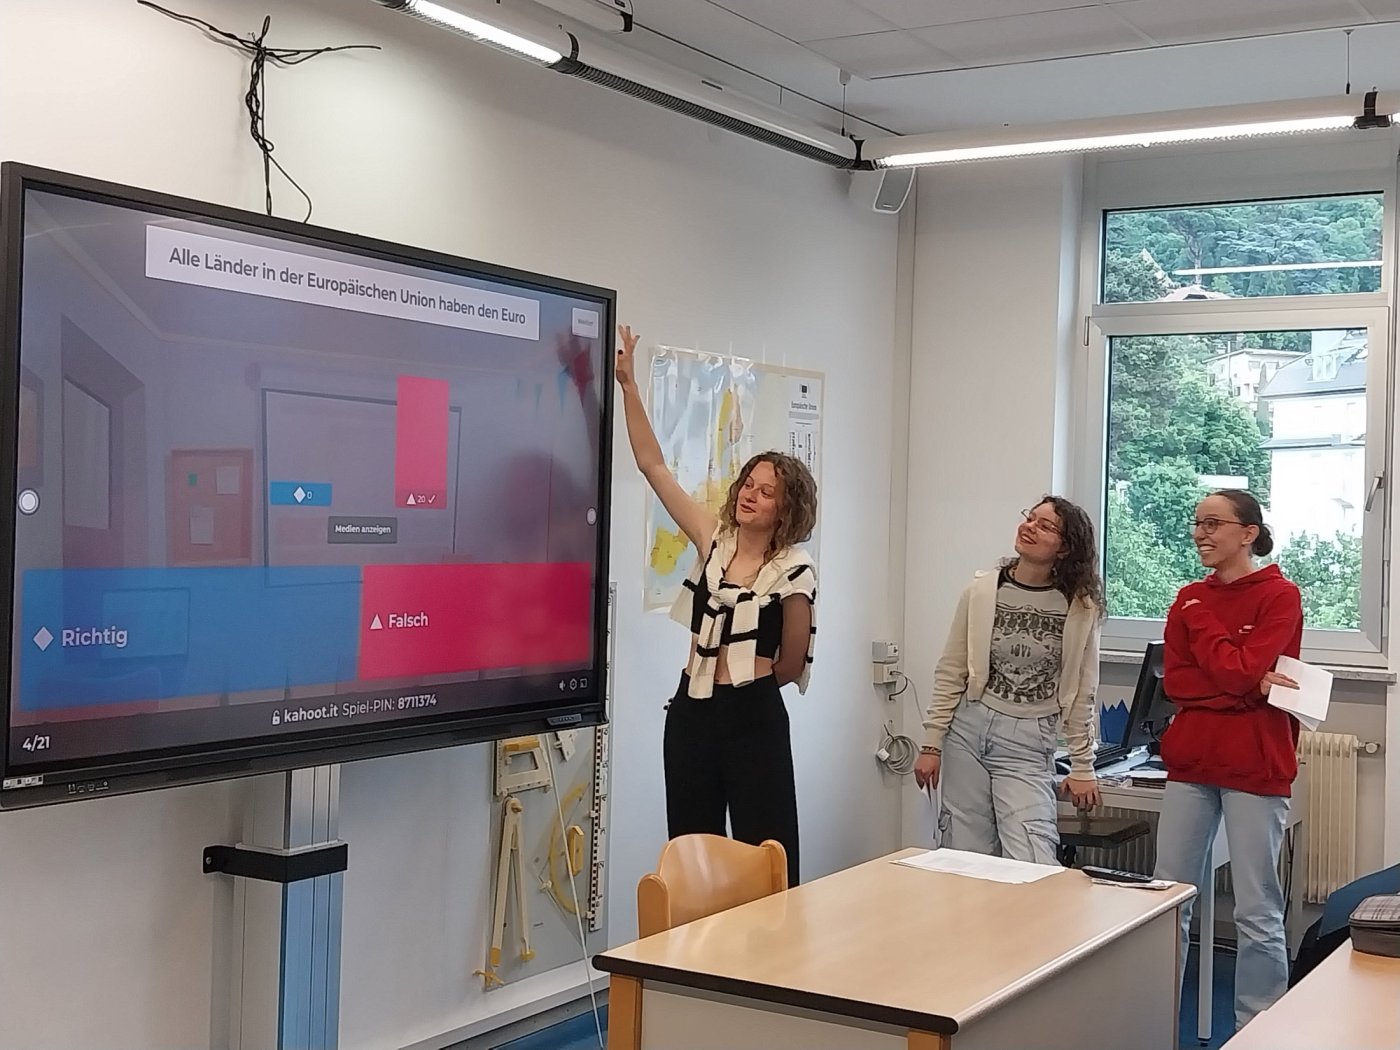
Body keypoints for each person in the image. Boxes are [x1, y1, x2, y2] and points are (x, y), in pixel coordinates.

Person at [614, 324, 817, 887]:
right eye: (748, 484)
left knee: (767, 855)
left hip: (753, 718)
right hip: (692, 713)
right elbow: (654, 467)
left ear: (786, 509)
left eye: (766, 491)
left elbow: (792, 662)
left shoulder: (794, 569)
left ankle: (768, 946)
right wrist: (629, 385)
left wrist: (743, 689)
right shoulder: (714, 540)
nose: (751, 495)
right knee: (692, 855)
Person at [1151, 489, 1303, 1032]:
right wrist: (1245, 686)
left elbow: (1237, 672)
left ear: (1248, 533)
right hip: (1192, 763)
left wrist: (1217, 646)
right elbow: (1178, 683)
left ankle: (1258, 1029)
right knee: (1168, 899)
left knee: (1256, 908)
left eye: (1213, 523)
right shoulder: (1188, 596)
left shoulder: (1279, 595)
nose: (1200, 533)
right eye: (1197, 523)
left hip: (1256, 764)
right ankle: (1154, 1021)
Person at [914, 498, 1103, 864]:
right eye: (1030, 518)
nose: (1030, 527)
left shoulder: (1080, 607)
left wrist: (1083, 765)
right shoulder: (982, 591)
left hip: (1029, 740)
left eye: (1045, 526)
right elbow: (952, 669)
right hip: (968, 730)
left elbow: (1082, 691)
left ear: (1065, 548)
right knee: (965, 855)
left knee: (1032, 857)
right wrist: (932, 744)